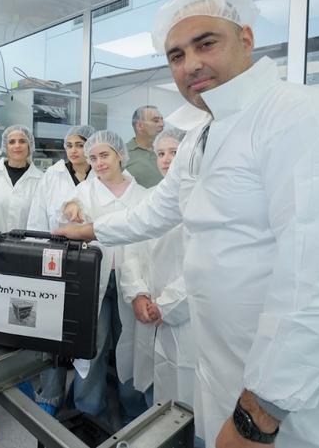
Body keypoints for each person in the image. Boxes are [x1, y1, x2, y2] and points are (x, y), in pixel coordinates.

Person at [55, 0, 319, 448]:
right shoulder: (200, 137)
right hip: (230, 370)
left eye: (206, 43)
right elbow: (161, 207)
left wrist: (258, 416)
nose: (190, 64)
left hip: (302, 403)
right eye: (176, 55)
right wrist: (89, 229)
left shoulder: (309, 118)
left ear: (245, 38)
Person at [61, 130, 149, 427]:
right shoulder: (85, 191)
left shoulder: (144, 196)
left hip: (133, 282)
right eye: (93, 157)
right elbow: (67, 216)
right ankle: (88, 412)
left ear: (120, 155)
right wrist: (70, 208)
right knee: (92, 346)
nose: (98, 163)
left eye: (104, 155)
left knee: (133, 345)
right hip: (94, 280)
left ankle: (134, 410)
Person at [119, 127, 199, 427]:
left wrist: (167, 305)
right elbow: (130, 253)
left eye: (174, 152)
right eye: (161, 153)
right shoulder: (149, 200)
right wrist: (138, 294)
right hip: (148, 312)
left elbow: (202, 265)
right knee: (149, 383)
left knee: (186, 396)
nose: (166, 159)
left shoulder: (204, 202)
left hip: (186, 315)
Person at [26, 124, 96, 415]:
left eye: (79, 144)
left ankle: (85, 401)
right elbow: (37, 217)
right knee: (51, 330)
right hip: (55, 259)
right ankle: (50, 395)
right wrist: (32, 255)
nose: (74, 150)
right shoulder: (52, 176)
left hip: (92, 262)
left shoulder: (101, 173)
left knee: (88, 333)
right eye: (69, 145)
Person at [0, 124, 43, 232]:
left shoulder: (40, 179)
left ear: (30, 146)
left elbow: (41, 220)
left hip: (26, 245)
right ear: (5, 146)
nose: (17, 146)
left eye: (22, 141)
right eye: (12, 142)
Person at [125, 106, 165, 188]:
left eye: (162, 120)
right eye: (156, 121)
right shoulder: (121, 154)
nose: (162, 124)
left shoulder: (169, 151)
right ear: (140, 126)